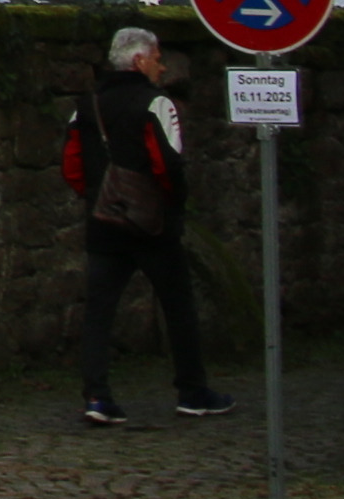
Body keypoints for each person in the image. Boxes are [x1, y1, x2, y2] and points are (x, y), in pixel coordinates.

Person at [63, 26, 230, 427]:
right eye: (157, 58)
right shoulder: (156, 104)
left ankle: (97, 396)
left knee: (99, 312)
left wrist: (96, 199)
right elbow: (168, 163)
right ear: (140, 61)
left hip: (103, 223)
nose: (163, 65)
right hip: (152, 225)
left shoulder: (87, 105)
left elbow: (71, 164)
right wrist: (172, 206)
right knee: (178, 307)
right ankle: (192, 390)